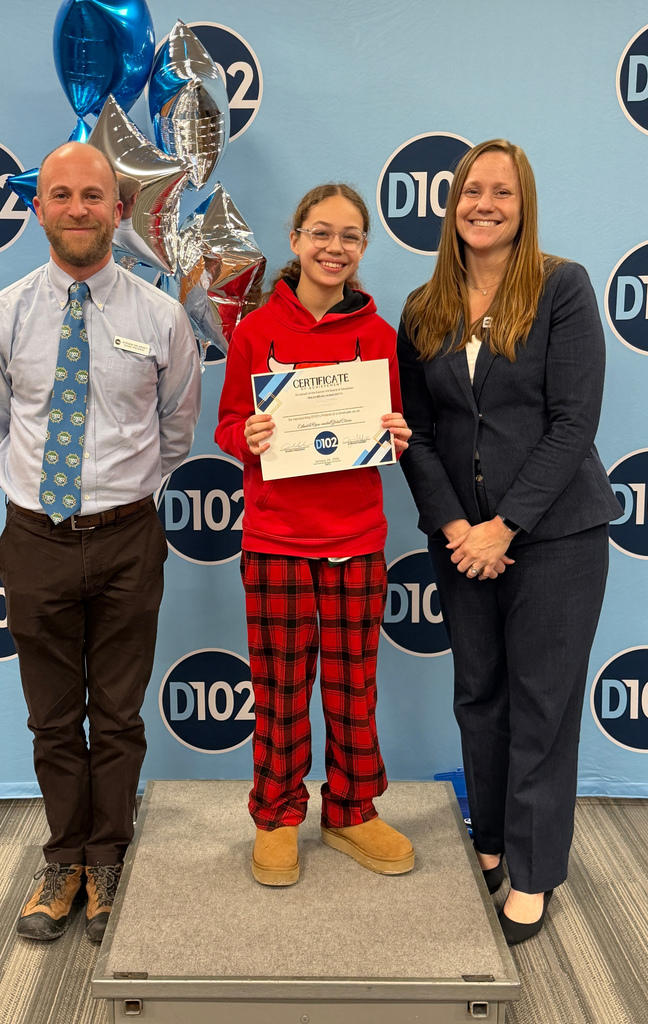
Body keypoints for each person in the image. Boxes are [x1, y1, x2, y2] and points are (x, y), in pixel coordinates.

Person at [0, 141, 201, 942]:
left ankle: (108, 859)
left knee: (120, 715)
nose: (77, 208)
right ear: (38, 208)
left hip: (128, 538)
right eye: (61, 195)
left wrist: (118, 497)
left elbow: (175, 431)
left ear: (120, 210)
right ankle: (63, 858)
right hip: (35, 538)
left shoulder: (161, 317)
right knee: (53, 717)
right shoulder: (2, 316)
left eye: (93, 196)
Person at [397, 139, 621, 944]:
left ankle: (532, 872)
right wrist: (459, 527)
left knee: (542, 706)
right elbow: (417, 431)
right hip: (462, 541)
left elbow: (573, 422)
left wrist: (506, 525)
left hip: (556, 537)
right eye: (471, 191)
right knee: (479, 695)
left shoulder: (562, 287)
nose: (483, 205)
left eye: (501, 192)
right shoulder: (423, 307)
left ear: (524, 206)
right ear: (451, 203)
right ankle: (489, 843)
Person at [215, 183, 414, 886]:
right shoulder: (255, 331)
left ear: (363, 248)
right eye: (321, 232)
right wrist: (248, 434)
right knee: (279, 687)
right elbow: (228, 426)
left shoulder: (380, 336)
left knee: (354, 686)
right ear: (296, 239)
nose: (335, 247)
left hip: (356, 538)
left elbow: (393, 427)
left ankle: (352, 810)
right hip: (277, 540)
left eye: (349, 236)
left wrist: (396, 435)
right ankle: (276, 814)